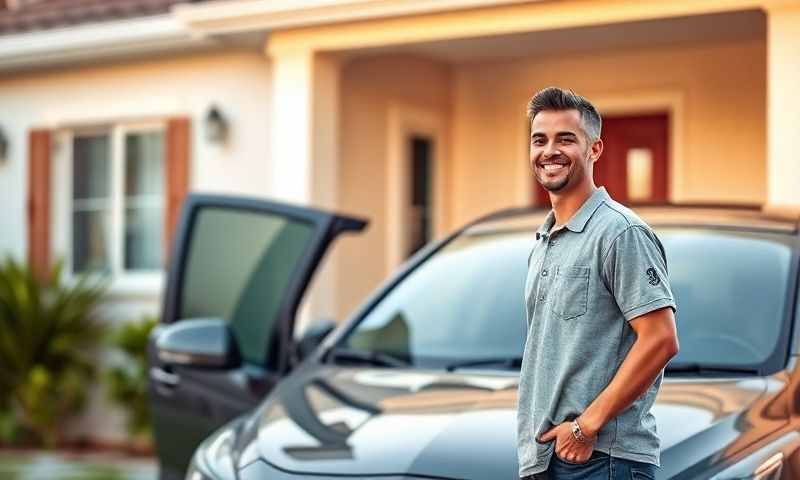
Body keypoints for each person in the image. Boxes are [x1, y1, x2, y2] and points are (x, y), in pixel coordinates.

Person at [517, 87, 679, 480]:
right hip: (550, 458)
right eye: (540, 140)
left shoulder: (620, 233)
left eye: (566, 139)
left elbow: (660, 339)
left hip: (603, 461)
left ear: (595, 149)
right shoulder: (544, 240)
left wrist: (585, 426)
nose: (549, 151)